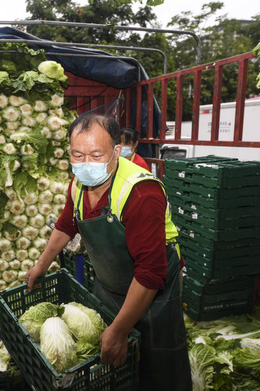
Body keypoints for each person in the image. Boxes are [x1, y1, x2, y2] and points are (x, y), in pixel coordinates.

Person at [26, 114, 192, 390]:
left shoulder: (141, 193)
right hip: (109, 283)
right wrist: (41, 265)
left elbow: (151, 272)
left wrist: (119, 330)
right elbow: (67, 224)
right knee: (112, 366)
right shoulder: (78, 184)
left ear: (116, 151)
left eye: (95, 154)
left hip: (154, 295)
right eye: (77, 155)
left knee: (157, 365)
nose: (85, 164)